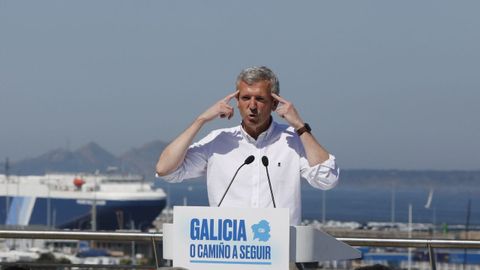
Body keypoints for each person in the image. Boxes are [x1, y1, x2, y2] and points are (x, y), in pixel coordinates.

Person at [156, 66, 339, 225]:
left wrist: (300, 126)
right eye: (245, 98)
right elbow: (166, 169)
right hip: (229, 254)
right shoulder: (218, 141)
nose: (252, 106)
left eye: (259, 99)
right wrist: (201, 120)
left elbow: (327, 179)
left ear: (274, 103)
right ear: (237, 102)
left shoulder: (293, 139)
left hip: (280, 254)